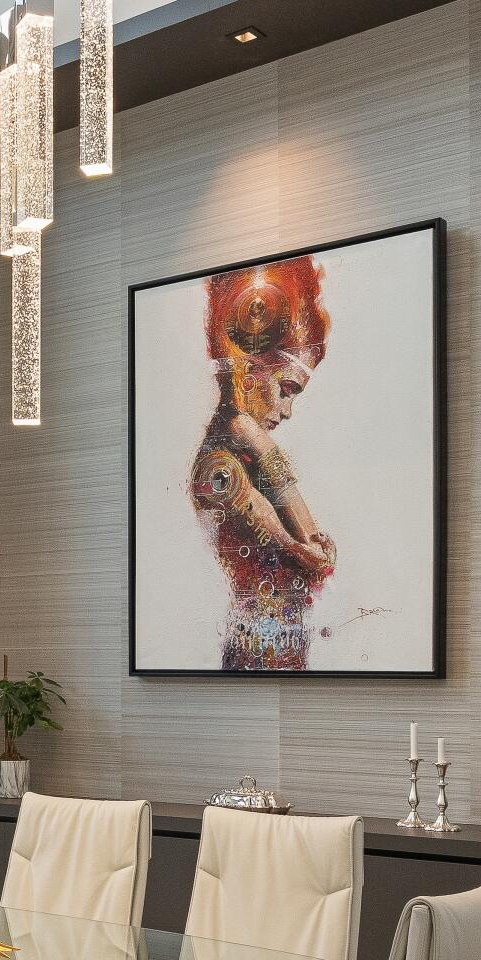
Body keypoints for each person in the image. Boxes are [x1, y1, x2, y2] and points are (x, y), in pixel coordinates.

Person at [189, 257, 334, 669]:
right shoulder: (219, 461)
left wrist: (312, 548)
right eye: (285, 389)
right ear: (250, 372)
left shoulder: (242, 448)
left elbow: (306, 536)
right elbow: (298, 540)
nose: (286, 411)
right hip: (256, 649)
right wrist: (304, 550)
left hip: (277, 647)